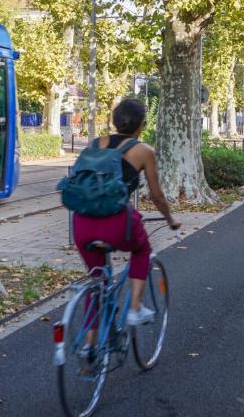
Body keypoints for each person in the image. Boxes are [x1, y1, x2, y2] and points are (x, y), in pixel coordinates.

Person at [73, 98, 180, 326]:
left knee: (98, 280)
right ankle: (135, 308)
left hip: (81, 223)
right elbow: (157, 195)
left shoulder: (94, 144)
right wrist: (170, 219)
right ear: (142, 124)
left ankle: (90, 352)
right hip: (117, 223)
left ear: (114, 121)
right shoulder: (143, 151)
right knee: (142, 250)